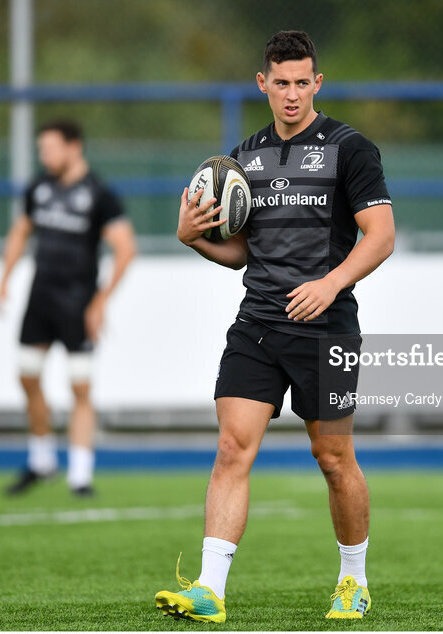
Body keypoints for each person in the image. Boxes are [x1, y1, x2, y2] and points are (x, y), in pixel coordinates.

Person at [154, 31, 395, 623]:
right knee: (233, 447)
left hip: (328, 326)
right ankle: (210, 590)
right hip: (258, 323)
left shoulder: (350, 149)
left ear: (318, 83)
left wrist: (331, 283)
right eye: (280, 83)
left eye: (301, 83)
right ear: (263, 84)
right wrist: (193, 239)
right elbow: (240, 253)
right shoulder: (243, 160)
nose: (291, 95)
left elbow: (382, 236)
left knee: (333, 457)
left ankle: (353, 580)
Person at [0, 118, 137, 497]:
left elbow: (126, 249)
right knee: (27, 376)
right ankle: (42, 460)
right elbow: (21, 231)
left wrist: (100, 301)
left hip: (78, 305)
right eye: (41, 149)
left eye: (49, 148)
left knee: (80, 388)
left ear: (74, 148)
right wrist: (4, 279)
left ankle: (80, 475)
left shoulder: (98, 194)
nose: (44, 155)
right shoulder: (39, 188)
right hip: (40, 300)